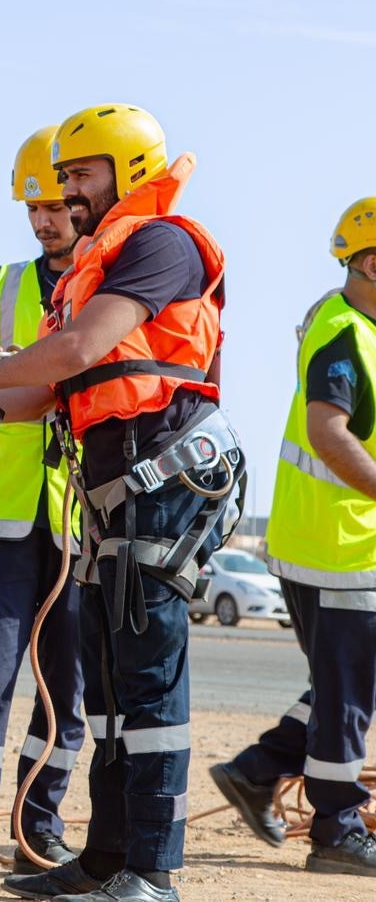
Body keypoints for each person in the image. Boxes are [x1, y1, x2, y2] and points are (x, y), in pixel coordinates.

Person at [0, 105, 245, 902]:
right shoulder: (95, 263)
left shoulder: (161, 242)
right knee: (113, 686)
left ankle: (153, 871)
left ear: (127, 171)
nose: (70, 191)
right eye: (64, 176)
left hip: (162, 484)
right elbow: (45, 386)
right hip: (115, 498)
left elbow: (77, 351)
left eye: (82, 174)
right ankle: (104, 860)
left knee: (150, 685)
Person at [208, 198, 376, 878]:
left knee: (345, 684)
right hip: (335, 546)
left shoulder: (361, 330)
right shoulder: (344, 332)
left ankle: (257, 771)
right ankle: (336, 829)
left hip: (341, 543)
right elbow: (327, 432)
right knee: (347, 692)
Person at [0, 126, 85, 887]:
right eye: (33, 207)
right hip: (3, 517)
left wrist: (13, 380)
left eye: (57, 206)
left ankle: (42, 824)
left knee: (69, 692)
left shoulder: (106, 287)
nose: (43, 221)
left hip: (79, 521)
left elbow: (21, 382)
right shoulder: (3, 287)